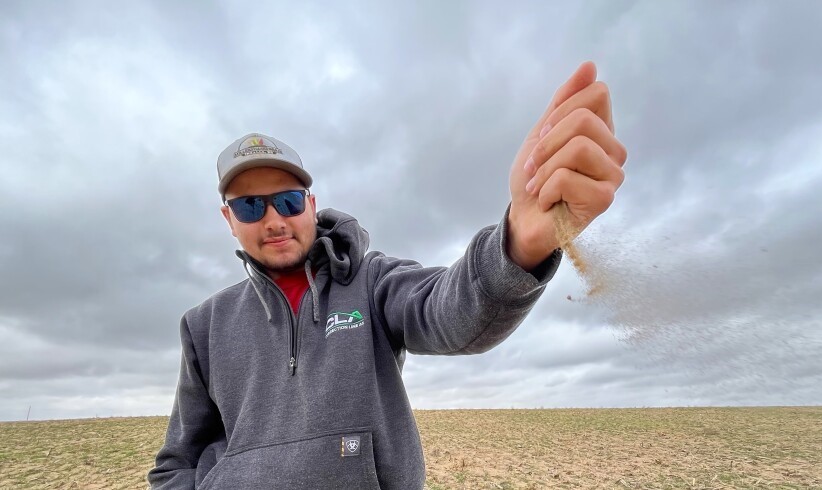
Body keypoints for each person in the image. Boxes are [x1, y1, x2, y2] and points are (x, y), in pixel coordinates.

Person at [147, 61, 627, 489]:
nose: (274, 220)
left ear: (311, 206)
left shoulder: (372, 282)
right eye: (250, 206)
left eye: (289, 201)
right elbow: (175, 463)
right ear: (228, 220)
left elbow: (449, 312)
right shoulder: (205, 326)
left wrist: (521, 240)